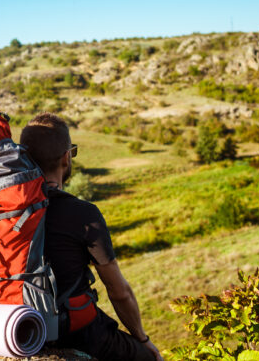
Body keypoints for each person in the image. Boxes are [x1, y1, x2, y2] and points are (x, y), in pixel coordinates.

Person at [20, 112, 163, 361]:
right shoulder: (82, 213)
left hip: (19, 327)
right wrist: (142, 339)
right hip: (75, 332)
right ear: (66, 157)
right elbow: (119, 291)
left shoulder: (3, 210)